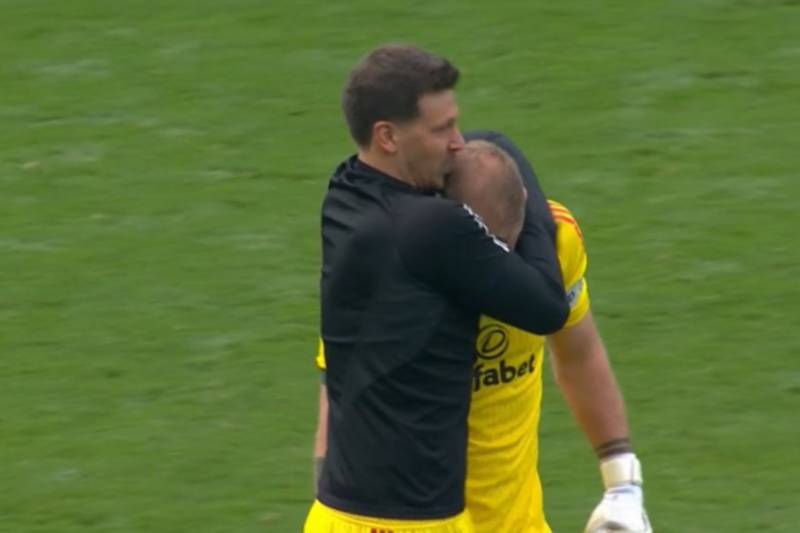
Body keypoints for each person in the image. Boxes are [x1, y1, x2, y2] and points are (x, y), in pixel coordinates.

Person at [313, 136, 653, 533]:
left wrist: (622, 487)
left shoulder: (556, 246)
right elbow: (339, 401)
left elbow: (579, 353)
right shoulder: (388, 259)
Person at [304, 45, 569, 533]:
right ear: (387, 136)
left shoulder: (344, 192)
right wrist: (529, 203)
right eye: (441, 129)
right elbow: (548, 307)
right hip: (411, 522)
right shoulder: (433, 229)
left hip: (337, 513)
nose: (457, 143)